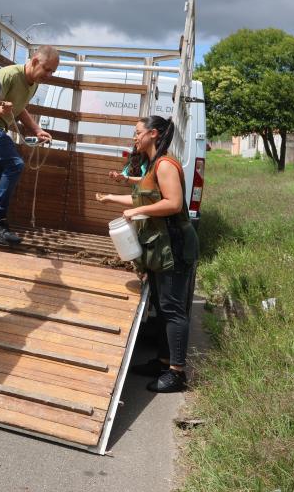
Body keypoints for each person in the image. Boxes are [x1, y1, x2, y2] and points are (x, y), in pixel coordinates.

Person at [96, 115, 199, 393]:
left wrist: (137, 211)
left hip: (175, 245)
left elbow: (174, 203)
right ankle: (163, 361)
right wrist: (113, 199)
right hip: (159, 244)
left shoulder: (165, 164)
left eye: (137, 133)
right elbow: (142, 198)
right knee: (162, 307)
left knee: (173, 309)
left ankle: (177, 374)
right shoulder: (153, 165)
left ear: (153, 134)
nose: (134, 137)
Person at [0, 46, 59, 246]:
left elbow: (20, 108)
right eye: (47, 69)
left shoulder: (33, 83)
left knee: (6, 176)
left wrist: (36, 130)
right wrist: (1, 109)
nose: (49, 75)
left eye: (53, 72)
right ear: (34, 61)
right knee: (15, 165)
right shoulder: (7, 75)